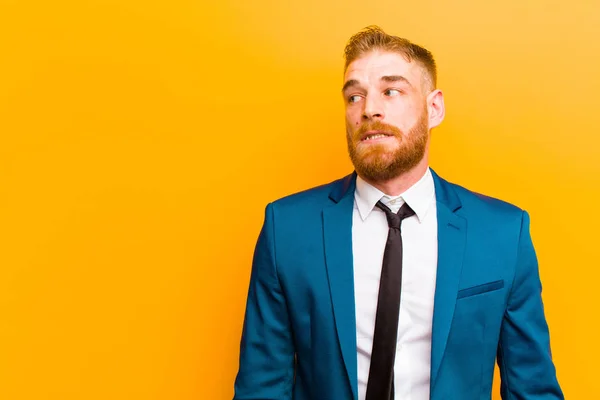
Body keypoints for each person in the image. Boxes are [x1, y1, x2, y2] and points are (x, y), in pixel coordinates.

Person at [233, 26, 563, 400]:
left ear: (433, 107)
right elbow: (261, 388)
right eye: (355, 96)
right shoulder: (287, 230)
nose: (369, 108)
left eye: (391, 91)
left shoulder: (503, 232)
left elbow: (533, 390)